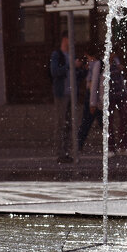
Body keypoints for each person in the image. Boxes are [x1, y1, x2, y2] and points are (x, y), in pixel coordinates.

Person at [49, 34, 73, 162]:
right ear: (64, 40)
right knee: (60, 123)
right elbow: (54, 72)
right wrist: (69, 66)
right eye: (69, 39)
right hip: (61, 93)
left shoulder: (70, 55)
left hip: (70, 94)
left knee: (69, 123)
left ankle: (67, 151)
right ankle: (60, 153)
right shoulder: (57, 55)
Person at [76, 49, 103, 153]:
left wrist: (92, 102)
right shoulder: (95, 65)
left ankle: (79, 144)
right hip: (93, 95)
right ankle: (110, 143)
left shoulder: (95, 64)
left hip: (92, 95)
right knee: (95, 121)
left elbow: (93, 83)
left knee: (87, 121)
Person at [108, 53, 127, 155]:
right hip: (110, 95)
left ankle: (123, 146)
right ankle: (111, 147)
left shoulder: (117, 60)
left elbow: (121, 78)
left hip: (121, 94)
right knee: (109, 122)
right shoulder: (104, 62)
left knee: (124, 120)